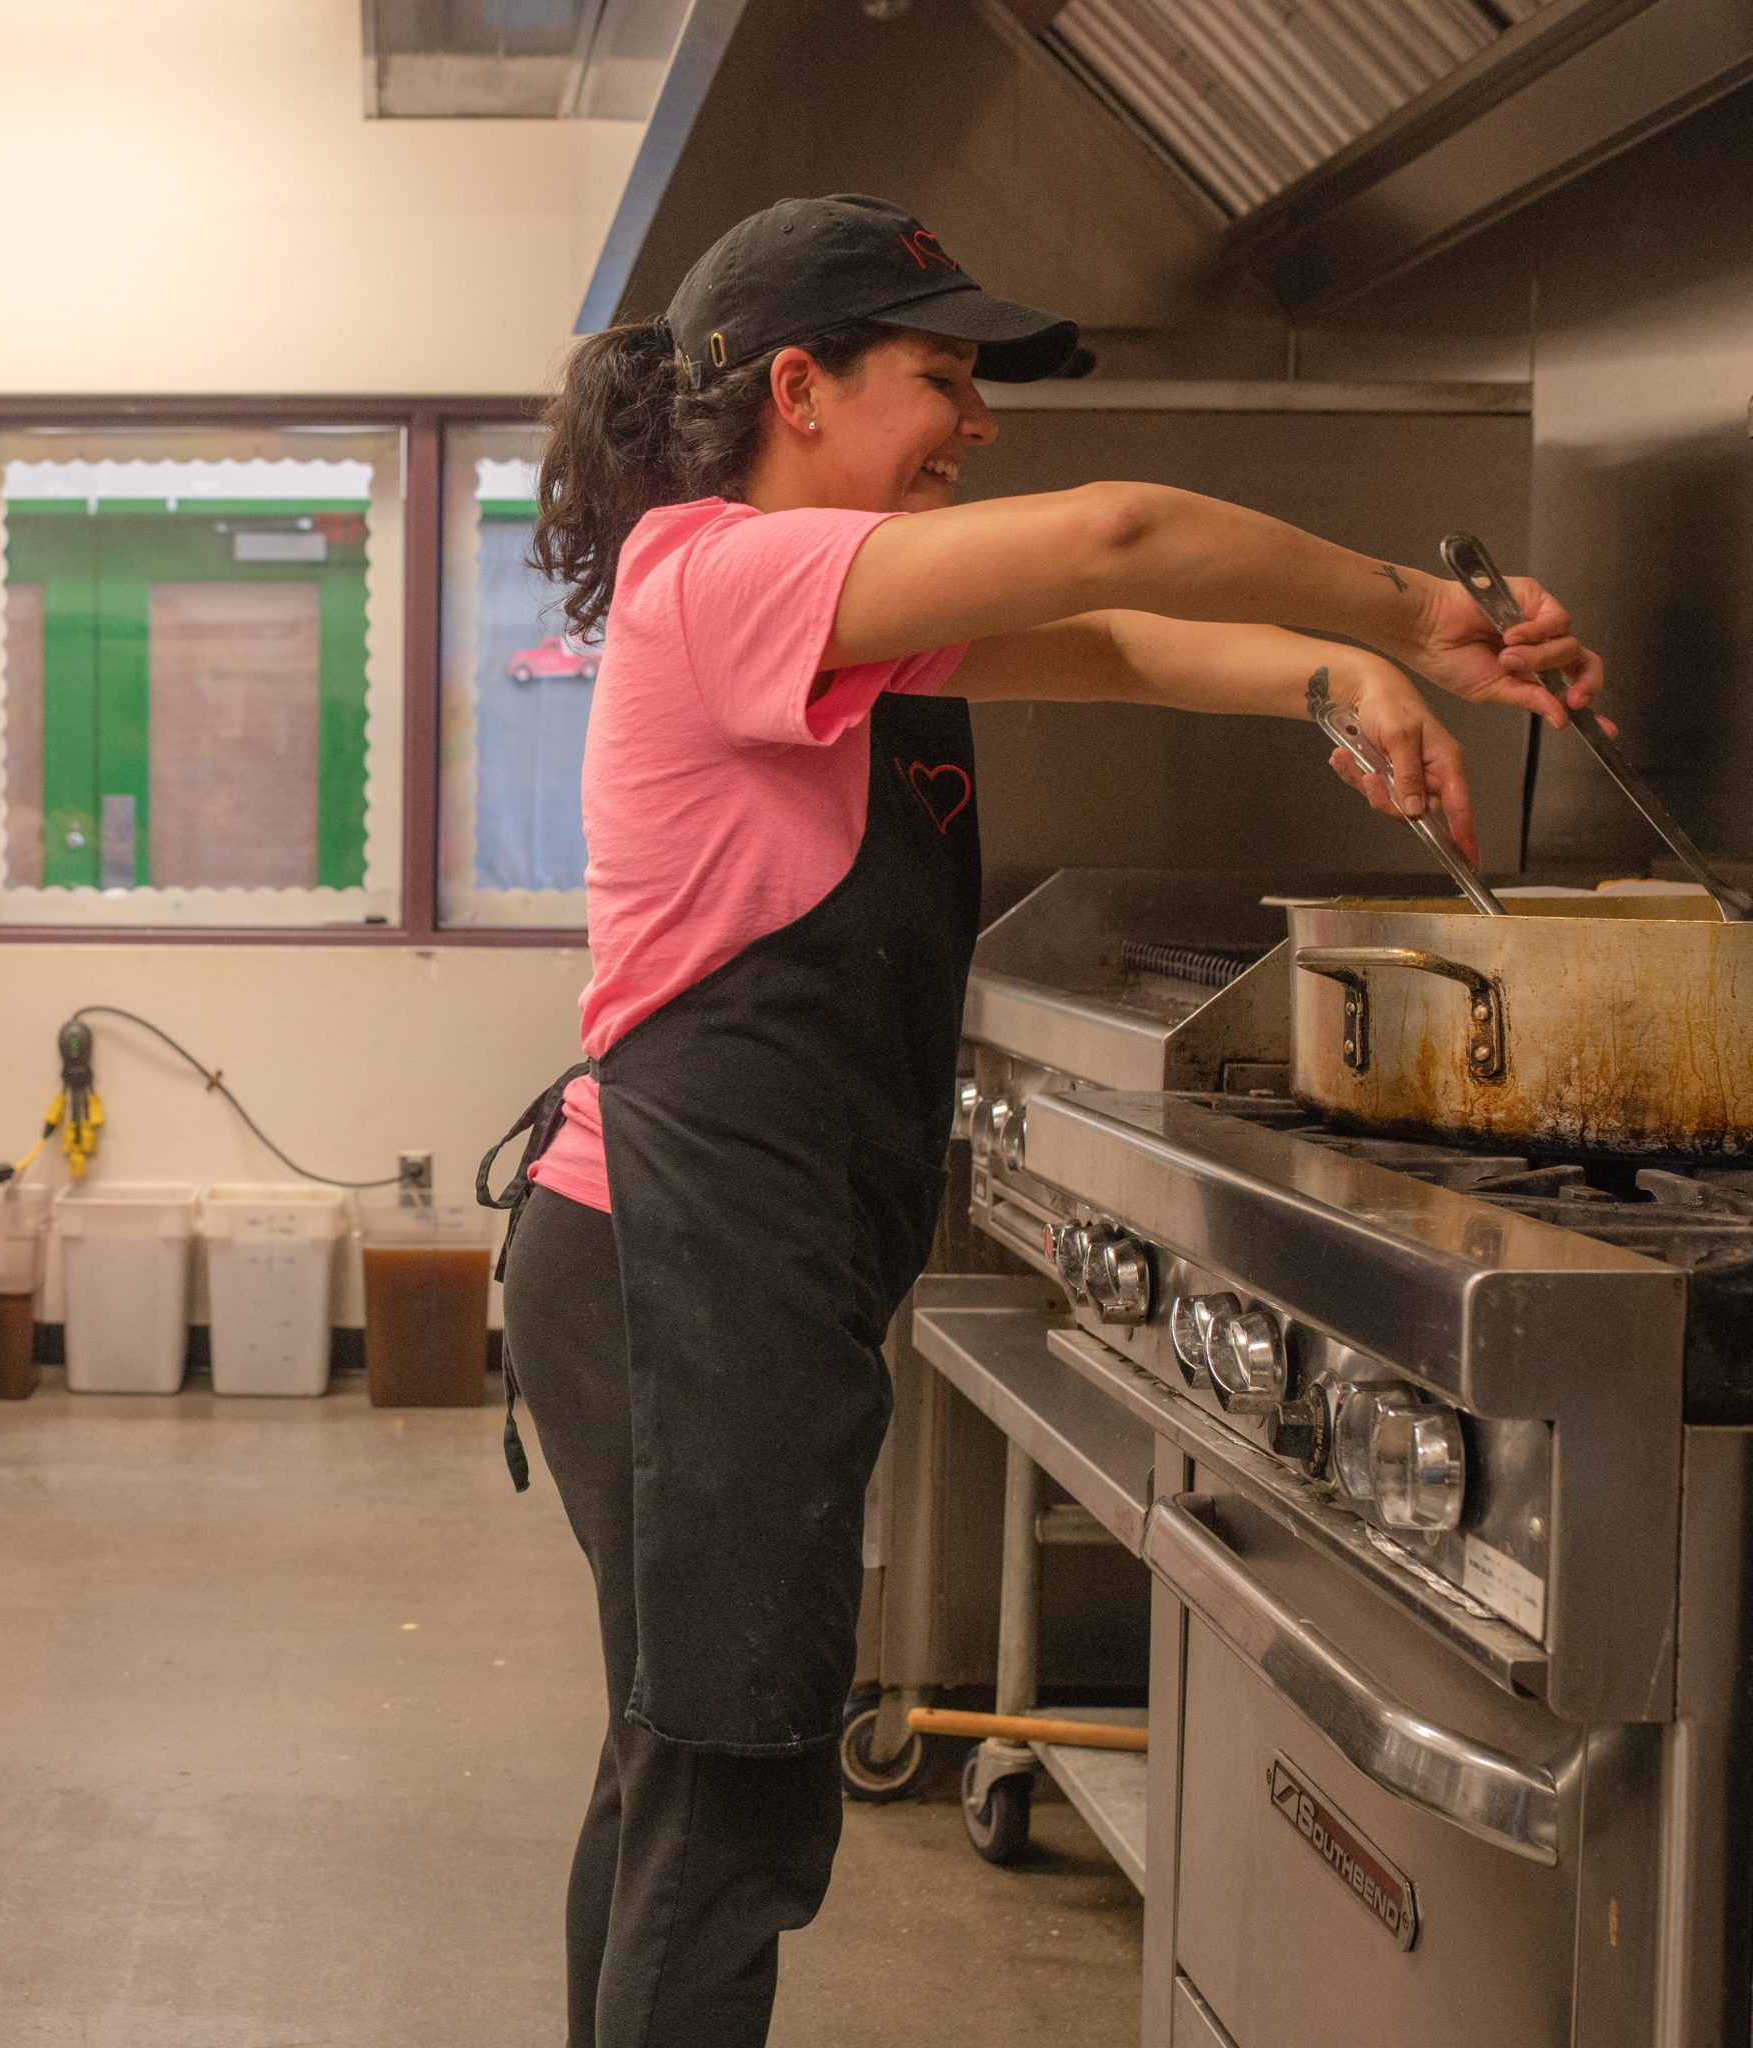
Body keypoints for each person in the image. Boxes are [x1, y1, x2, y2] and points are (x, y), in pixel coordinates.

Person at [478, 195, 1604, 2048]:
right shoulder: (725, 574)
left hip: (714, 1271)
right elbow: (1120, 534)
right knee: (730, 1799)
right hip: (680, 1274)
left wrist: (1344, 680)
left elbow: (1123, 640)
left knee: (689, 1767)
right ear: (800, 389)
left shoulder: (826, 611)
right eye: (942, 376)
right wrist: (1412, 607)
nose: (979, 421)